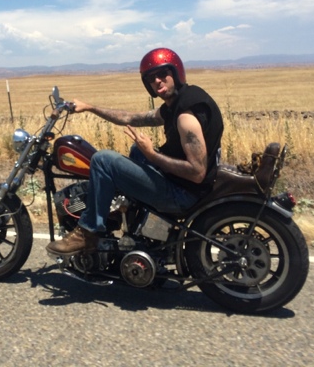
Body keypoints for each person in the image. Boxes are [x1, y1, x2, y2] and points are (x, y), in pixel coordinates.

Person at [46, 47, 224, 256]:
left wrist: (152, 155)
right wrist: (90, 107)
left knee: (103, 160)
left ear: (176, 72)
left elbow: (197, 172)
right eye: (151, 78)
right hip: (183, 185)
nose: (157, 81)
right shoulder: (178, 103)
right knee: (136, 151)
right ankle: (132, 220)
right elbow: (131, 118)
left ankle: (88, 232)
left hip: (184, 194)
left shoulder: (185, 117)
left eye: (162, 74)